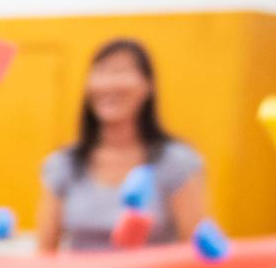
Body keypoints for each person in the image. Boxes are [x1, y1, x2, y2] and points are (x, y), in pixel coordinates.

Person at [35, 39, 207, 252]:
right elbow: (45, 250)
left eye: (121, 71)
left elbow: (193, 248)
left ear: (148, 85)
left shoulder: (175, 161)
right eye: (101, 72)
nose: (109, 84)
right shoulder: (64, 163)